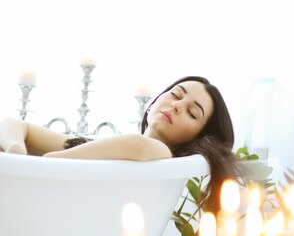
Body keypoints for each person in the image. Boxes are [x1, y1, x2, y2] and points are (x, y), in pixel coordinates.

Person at [0, 76, 239, 211]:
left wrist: (47, 163)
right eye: (176, 94)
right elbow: (14, 125)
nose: (176, 105)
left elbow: (138, 145)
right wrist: (16, 150)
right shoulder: (95, 146)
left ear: (197, 138)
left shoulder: (161, 155)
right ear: (152, 103)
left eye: (192, 112)